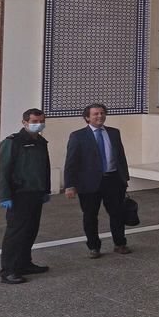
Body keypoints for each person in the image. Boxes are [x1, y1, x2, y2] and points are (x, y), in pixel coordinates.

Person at [62, 103, 131, 258]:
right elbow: (71, 162)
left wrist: (124, 178)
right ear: (87, 118)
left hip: (113, 180)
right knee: (90, 216)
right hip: (89, 183)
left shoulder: (114, 132)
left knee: (117, 214)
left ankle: (120, 243)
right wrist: (69, 185)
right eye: (95, 114)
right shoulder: (78, 136)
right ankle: (94, 246)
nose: (100, 116)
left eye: (102, 113)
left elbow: (120, 157)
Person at [0, 108, 53, 285]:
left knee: (30, 230)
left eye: (41, 121)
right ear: (25, 123)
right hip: (19, 194)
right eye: (35, 121)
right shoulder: (13, 142)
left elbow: (45, 168)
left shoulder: (41, 141)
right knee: (15, 233)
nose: (39, 124)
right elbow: (2, 171)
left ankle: (24, 264)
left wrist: (46, 190)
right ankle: (8, 271)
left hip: (36, 193)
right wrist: (4, 195)